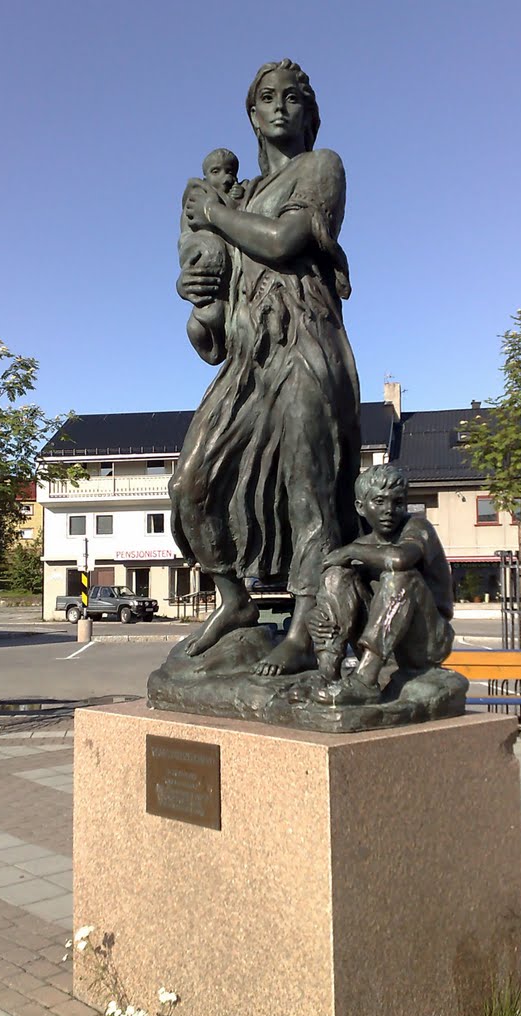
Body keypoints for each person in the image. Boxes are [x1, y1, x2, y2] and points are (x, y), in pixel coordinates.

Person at [171, 59, 361, 677]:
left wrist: (215, 214)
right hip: (251, 363)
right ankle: (234, 601)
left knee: (309, 488)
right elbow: (215, 331)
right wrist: (198, 302)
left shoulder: (321, 167)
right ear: (252, 115)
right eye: (267, 99)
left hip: (305, 345)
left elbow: (284, 243)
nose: (280, 107)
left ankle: (309, 627)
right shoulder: (242, 195)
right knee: (191, 482)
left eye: (293, 98)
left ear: (310, 113)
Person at [306, 465, 455, 705]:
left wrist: (351, 550)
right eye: (379, 501)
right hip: (382, 641)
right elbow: (335, 594)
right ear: (360, 507)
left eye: (398, 502)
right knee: (337, 574)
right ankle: (328, 673)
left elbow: (399, 559)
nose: (389, 510)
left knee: (400, 576)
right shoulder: (364, 546)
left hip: (426, 642)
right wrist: (316, 618)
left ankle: (365, 680)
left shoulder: (417, 529)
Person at [178, 150, 246, 362]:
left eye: (230, 172)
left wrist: (237, 200)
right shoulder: (196, 199)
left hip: (238, 286)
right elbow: (186, 241)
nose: (226, 177)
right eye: (216, 171)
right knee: (200, 325)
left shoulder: (244, 193)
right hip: (212, 272)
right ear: (206, 176)